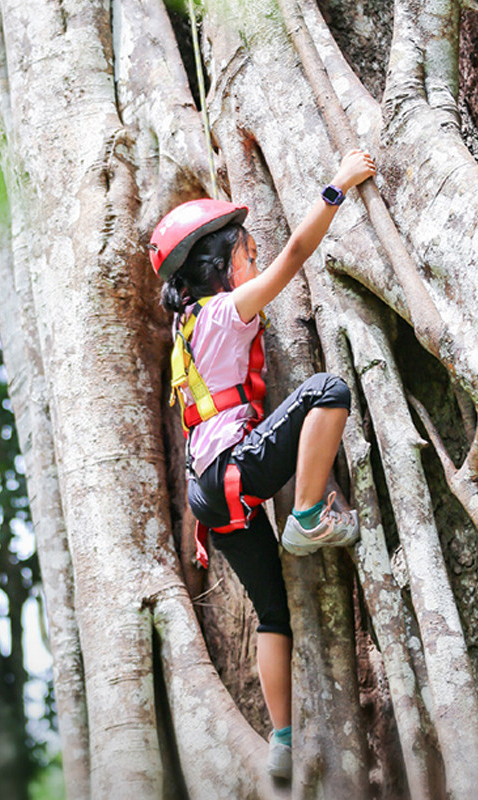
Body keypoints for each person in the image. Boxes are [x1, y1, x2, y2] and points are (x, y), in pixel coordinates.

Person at [148, 149, 376, 780]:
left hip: (209, 494)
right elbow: (295, 257)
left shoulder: (186, 330)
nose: (256, 261)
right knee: (328, 390)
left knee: (273, 615)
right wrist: (337, 185)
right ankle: (306, 514)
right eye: (247, 255)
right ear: (223, 269)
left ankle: (281, 741)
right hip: (236, 469)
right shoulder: (226, 310)